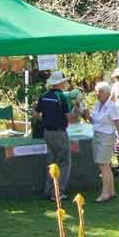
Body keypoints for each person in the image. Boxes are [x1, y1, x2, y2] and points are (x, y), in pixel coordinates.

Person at [34, 71, 77, 200]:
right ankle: (58, 193)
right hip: (59, 133)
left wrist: (45, 120)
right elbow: (70, 118)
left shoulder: (44, 96)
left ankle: (48, 190)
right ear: (61, 83)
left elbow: (34, 113)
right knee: (64, 162)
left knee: (51, 161)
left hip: (47, 132)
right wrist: (77, 109)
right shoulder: (62, 97)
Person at [85, 81, 119, 202]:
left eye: (100, 91)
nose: (97, 94)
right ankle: (111, 191)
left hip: (107, 137)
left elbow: (118, 123)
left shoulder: (111, 106)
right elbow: (95, 122)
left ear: (107, 93)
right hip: (97, 135)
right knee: (105, 165)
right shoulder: (97, 105)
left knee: (103, 165)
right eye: (96, 91)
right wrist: (86, 115)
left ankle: (105, 193)